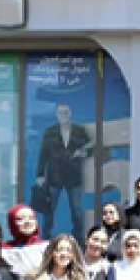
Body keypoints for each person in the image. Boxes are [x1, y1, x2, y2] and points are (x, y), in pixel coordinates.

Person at [35, 103, 92, 240]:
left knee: (76, 209)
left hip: (74, 175)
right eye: (60, 113)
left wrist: (85, 153)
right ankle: (46, 237)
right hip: (54, 176)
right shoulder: (50, 132)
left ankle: (78, 237)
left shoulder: (80, 130)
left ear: (70, 113)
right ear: (57, 115)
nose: (63, 115)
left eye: (66, 112)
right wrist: (40, 174)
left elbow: (91, 147)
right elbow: (43, 154)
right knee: (49, 209)